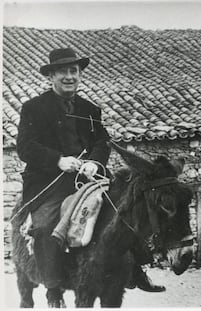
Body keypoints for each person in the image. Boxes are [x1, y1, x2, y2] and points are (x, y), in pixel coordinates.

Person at [16, 48, 164, 301]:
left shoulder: (90, 109)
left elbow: (101, 141)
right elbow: (25, 147)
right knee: (43, 228)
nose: (69, 77)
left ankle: (137, 270)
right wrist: (58, 161)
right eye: (62, 72)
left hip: (90, 180)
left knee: (127, 213)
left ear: (80, 74)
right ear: (51, 76)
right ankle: (53, 281)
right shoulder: (33, 108)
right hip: (49, 182)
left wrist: (95, 162)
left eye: (73, 71)